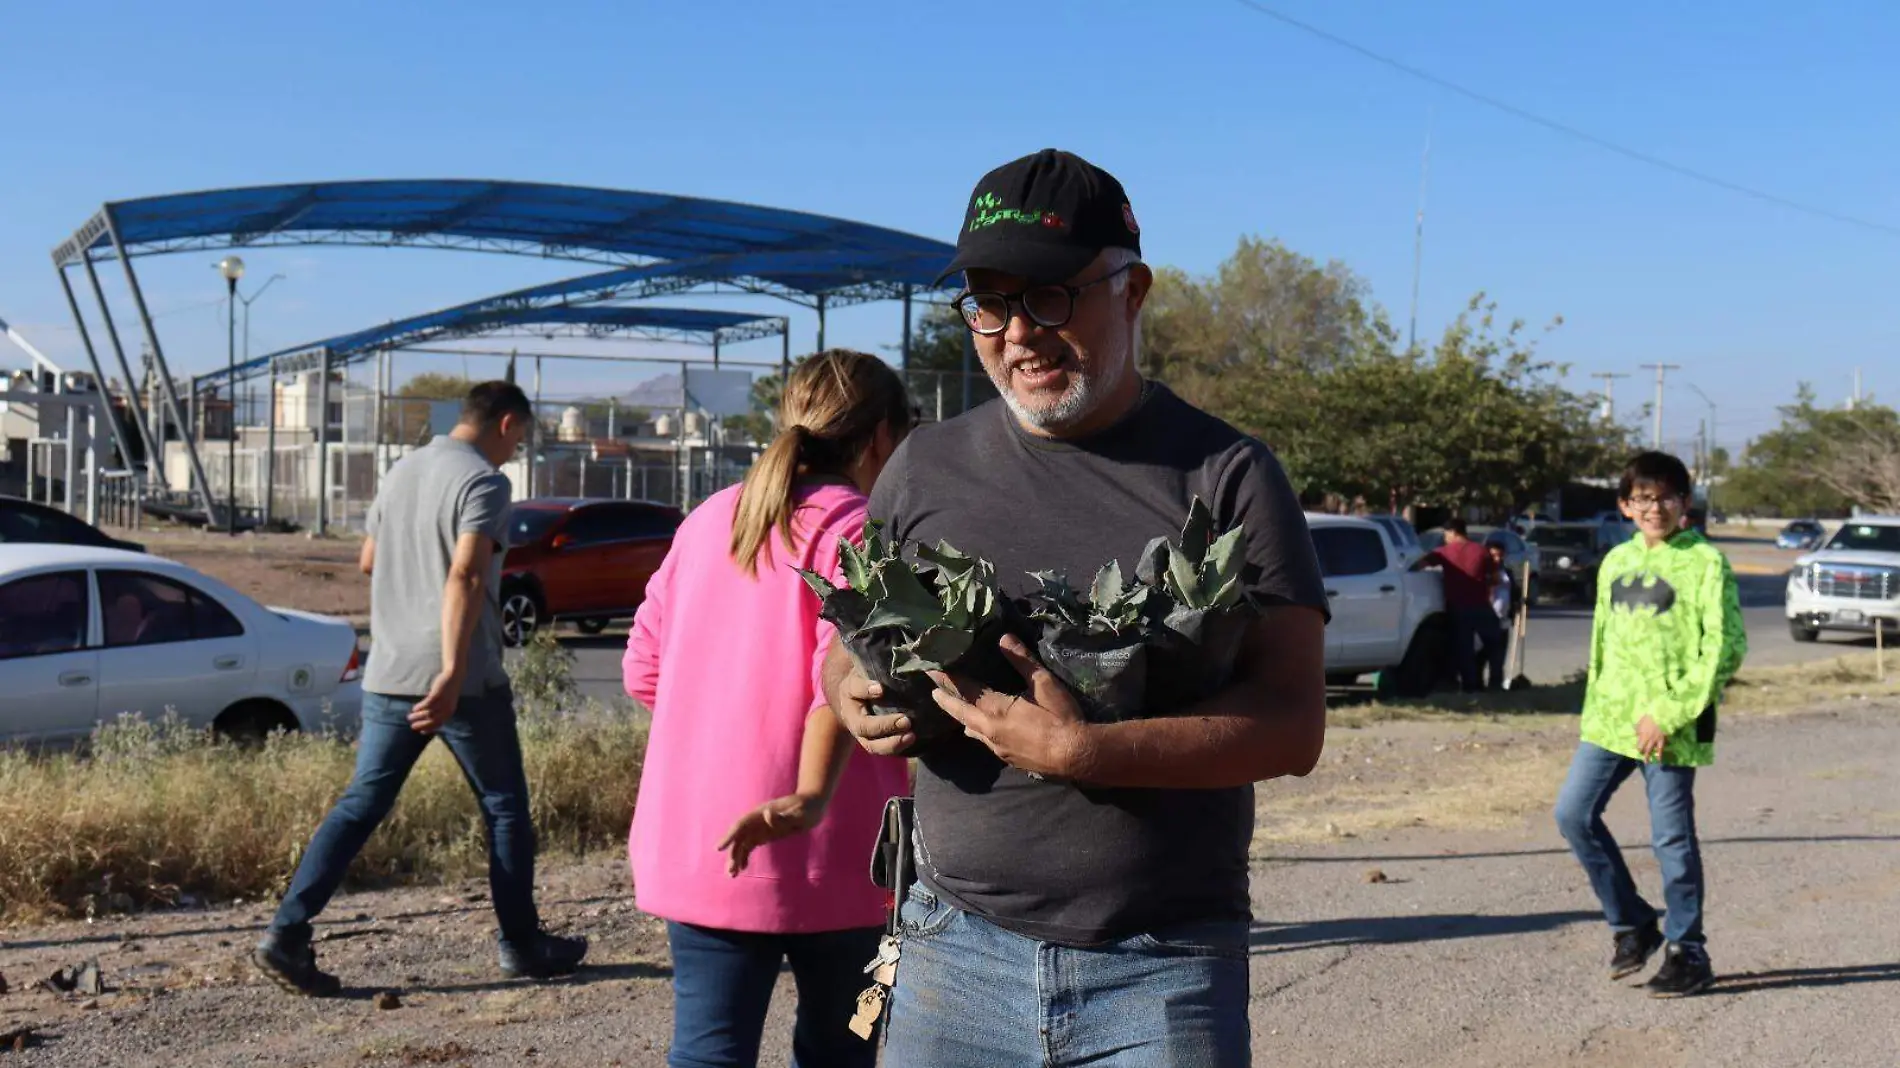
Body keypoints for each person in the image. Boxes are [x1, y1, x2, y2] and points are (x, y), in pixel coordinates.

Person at [821, 148, 1329, 1066]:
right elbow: (847, 640)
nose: (1017, 333)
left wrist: (1087, 753)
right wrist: (844, 686)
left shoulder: (1228, 476)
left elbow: (1293, 724)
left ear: (1132, 292)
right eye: (988, 299)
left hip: (1161, 969)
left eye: (1050, 296)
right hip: (951, 954)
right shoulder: (922, 467)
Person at [623, 349, 915, 1068]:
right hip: (843, 854)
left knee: (706, 1052)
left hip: (704, 841)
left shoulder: (709, 520)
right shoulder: (859, 527)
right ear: (882, 436)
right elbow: (844, 678)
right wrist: (808, 795)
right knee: (844, 1047)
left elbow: (642, 670)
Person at [254, 381, 587, 996]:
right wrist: (453, 671)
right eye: (523, 438)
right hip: (460, 674)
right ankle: (522, 944)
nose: (519, 451)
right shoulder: (484, 482)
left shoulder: (400, 471)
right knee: (506, 809)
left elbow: (368, 561)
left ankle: (286, 933)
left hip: (390, 670)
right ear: (507, 424)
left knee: (361, 805)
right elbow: (464, 572)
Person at [1553, 451, 1746, 998]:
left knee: (1672, 840)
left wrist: (1667, 713)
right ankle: (1633, 923)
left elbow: (1726, 647)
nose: (1653, 507)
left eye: (1664, 496)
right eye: (1642, 498)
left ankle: (1689, 951)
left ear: (1684, 502)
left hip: (1672, 726)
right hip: (1610, 721)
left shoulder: (1706, 562)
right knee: (1573, 814)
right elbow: (1603, 645)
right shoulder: (1616, 562)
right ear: (1625, 505)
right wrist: (1595, 710)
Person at [1421, 518, 1504, 691]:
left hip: (1457, 606)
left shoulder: (1442, 552)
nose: (1445, 538)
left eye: (1446, 534)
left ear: (1453, 532)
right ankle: (1496, 682)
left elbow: (1419, 565)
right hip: (1481, 605)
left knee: (1463, 648)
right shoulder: (1481, 551)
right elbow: (1495, 578)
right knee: (1495, 643)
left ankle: (1470, 686)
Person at [1484, 538, 1515, 689]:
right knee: (1481, 655)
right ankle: (1475, 684)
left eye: (1500, 556)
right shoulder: (1483, 572)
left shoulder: (1507, 572)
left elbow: (1512, 592)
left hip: (1503, 621)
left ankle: (1496, 685)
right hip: (1486, 619)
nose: (1497, 559)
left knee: (1498, 658)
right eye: (1494, 555)